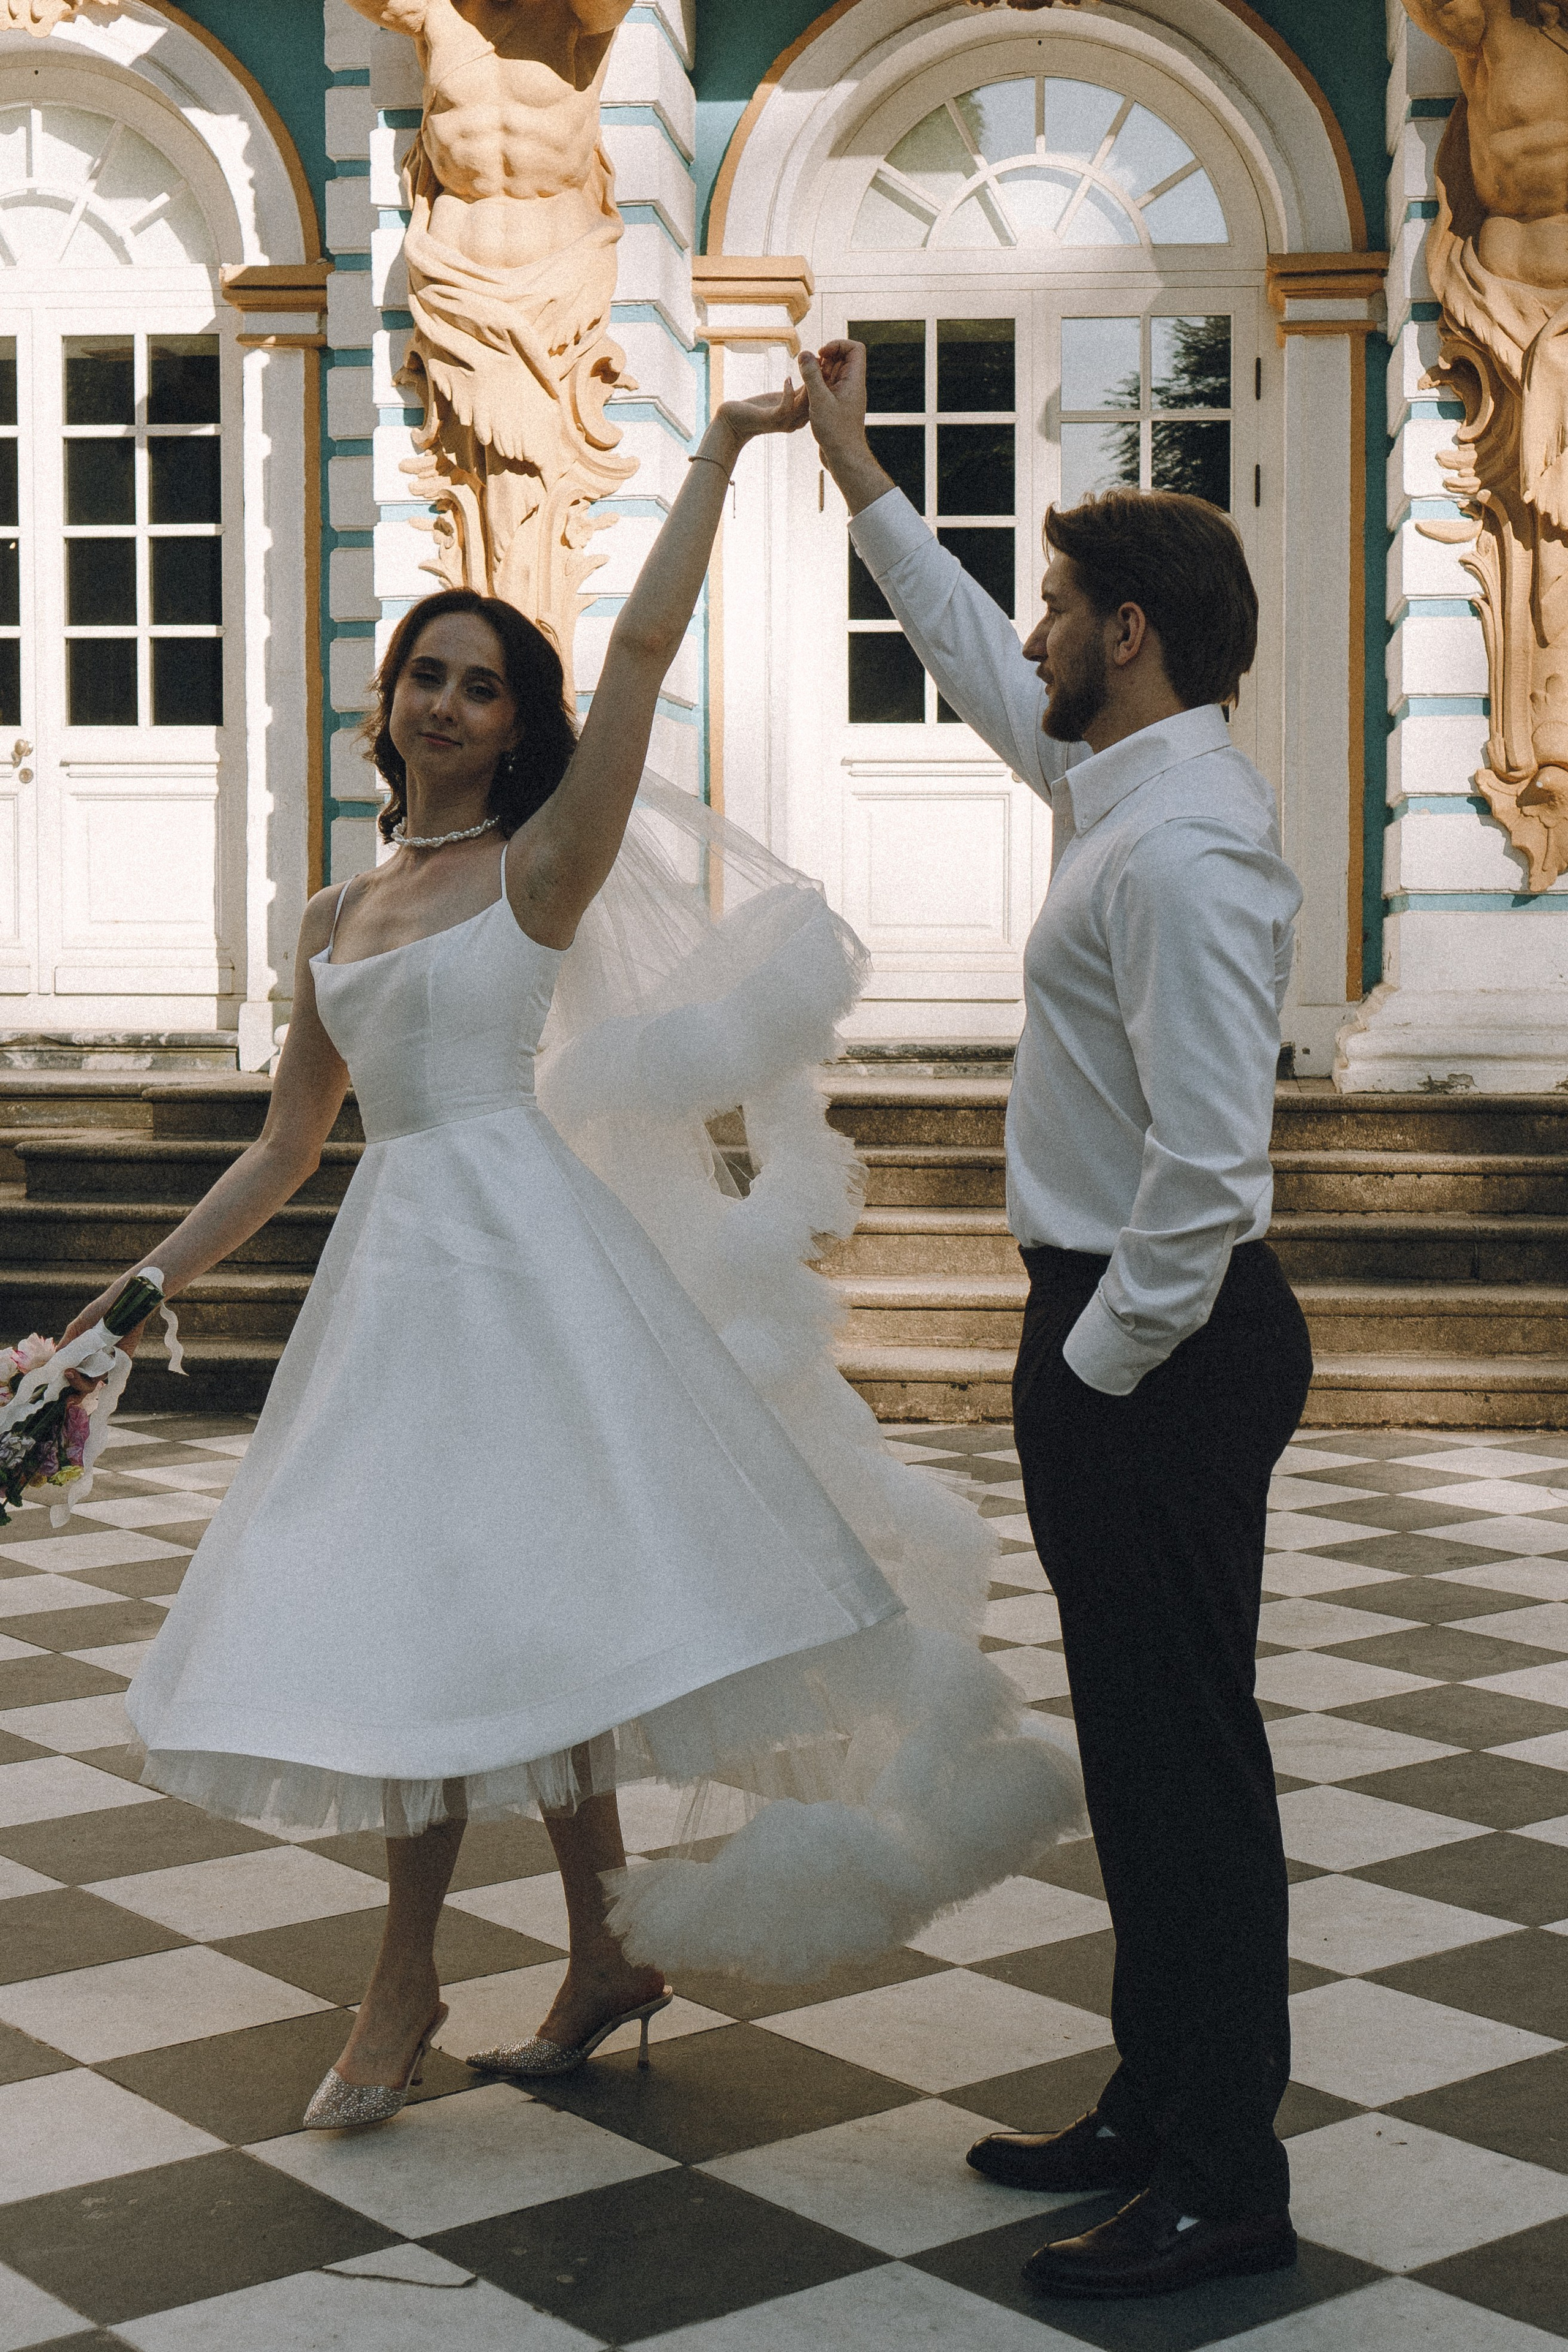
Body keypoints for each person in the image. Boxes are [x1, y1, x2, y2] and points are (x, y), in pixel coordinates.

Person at [66, 374, 1082, 2132]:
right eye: (428, 674)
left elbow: (641, 654)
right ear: (385, 705)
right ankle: (576, 1949)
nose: (453, 700)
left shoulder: (544, 864)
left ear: (513, 718)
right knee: (459, 1612)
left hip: (529, 1272)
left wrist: (723, 450)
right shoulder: (331, 915)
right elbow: (288, 1144)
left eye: (484, 680)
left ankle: (411, 1979)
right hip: (399, 1281)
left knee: (502, 1610)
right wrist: (128, 1298)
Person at [801, 338, 1313, 2301]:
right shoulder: (1123, 788)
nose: (1029, 637)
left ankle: (1221, 2182)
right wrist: (857, 477)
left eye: (1054, 610)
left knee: (1185, 1764)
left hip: (1156, 1336)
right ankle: (1153, 2097)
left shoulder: (1181, 852)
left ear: (1129, 631)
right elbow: (960, 655)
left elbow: (1211, 1168)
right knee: (1142, 1745)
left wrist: (1091, 1373)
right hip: (1124, 1327)